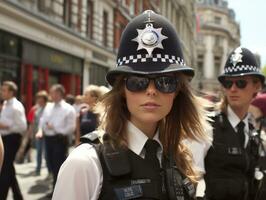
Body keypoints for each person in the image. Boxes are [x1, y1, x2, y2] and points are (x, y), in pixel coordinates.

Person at [53, 10, 209, 200]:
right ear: (121, 90)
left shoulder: (180, 155)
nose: (151, 90)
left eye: (165, 81)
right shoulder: (85, 163)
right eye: (137, 81)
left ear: (177, 92)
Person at [202, 47, 265, 200]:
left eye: (241, 83)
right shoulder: (208, 127)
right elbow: (188, 181)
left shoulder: (254, 134)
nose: (233, 89)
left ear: (256, 86)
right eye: (228, 83)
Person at [36, 84, 76, 196]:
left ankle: (59, 191)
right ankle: (55, 188)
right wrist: (40, 130)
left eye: (52, 93)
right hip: (48, 139)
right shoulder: (48, 106)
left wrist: (55, 128)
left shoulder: (69, 108)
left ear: (59, 93)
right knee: (50, 164)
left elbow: (71, 128)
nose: (50, 95)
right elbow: (42, 120)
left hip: (59, 140)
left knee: (58, 165)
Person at [0, 81, 27, 200]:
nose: (1, 92)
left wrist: (6, 126)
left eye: (4, 90)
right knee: (8, 168)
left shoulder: (16, 106)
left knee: (5, 169)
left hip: (12, 139)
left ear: (11, 92)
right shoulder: (5, 104)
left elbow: (22, 126)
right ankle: (18, 196)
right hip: (4, 138)